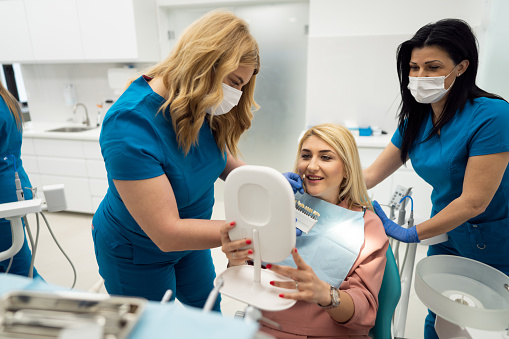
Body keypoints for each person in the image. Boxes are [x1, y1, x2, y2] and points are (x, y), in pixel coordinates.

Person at [91, 10, 260, 311]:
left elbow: (213, 156)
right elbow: (167, 233)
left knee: (207, 309)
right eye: (234, 82)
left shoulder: (197, 101)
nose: (236, 94)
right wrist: (250, 231)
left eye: (242, 86)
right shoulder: (129, 125)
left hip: (193, 238)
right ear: (205, 64)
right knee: (153, 327)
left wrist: (266, 183)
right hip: (137, 250)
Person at [362, 19, 509, 339]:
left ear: (461, 67)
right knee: (441, 319)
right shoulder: (417, 118)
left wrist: (411, 233)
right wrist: (311, 179)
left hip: (497, 241)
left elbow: (474, 201)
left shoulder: (493, 115)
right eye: (413, 68)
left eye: (432, 67)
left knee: (489, 326)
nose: (419, 77)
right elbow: (371, 175)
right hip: (448, 235)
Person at [221, 123, 389, 338]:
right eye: (306, 156)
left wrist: (325, 294)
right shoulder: (280, 206)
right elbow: (249, 275)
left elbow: (365, 311)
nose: (311, 166)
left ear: (347, 169)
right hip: (265, 326)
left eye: (326, 157)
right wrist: (236, 260)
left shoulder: (366, 226)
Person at [0, 81, 42, 278]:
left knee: (16, 269)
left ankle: (56, 307)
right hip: (13, 186)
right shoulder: (6, 98)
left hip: (4, 192)